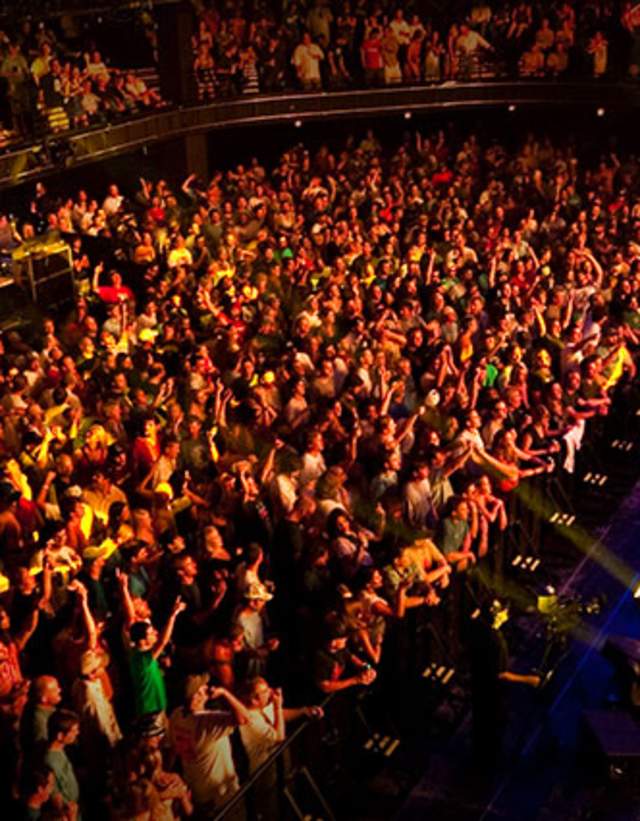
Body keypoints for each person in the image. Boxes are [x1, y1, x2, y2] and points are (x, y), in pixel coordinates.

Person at [169, 674, 249, 810]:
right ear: (196, 696)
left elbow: (174, 749)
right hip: (222, 795)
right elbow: (244, 718)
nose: (207, 687)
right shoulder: (206, 723)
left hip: (198, 792)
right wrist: (224, 693)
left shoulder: (177, 715)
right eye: (203, 688)